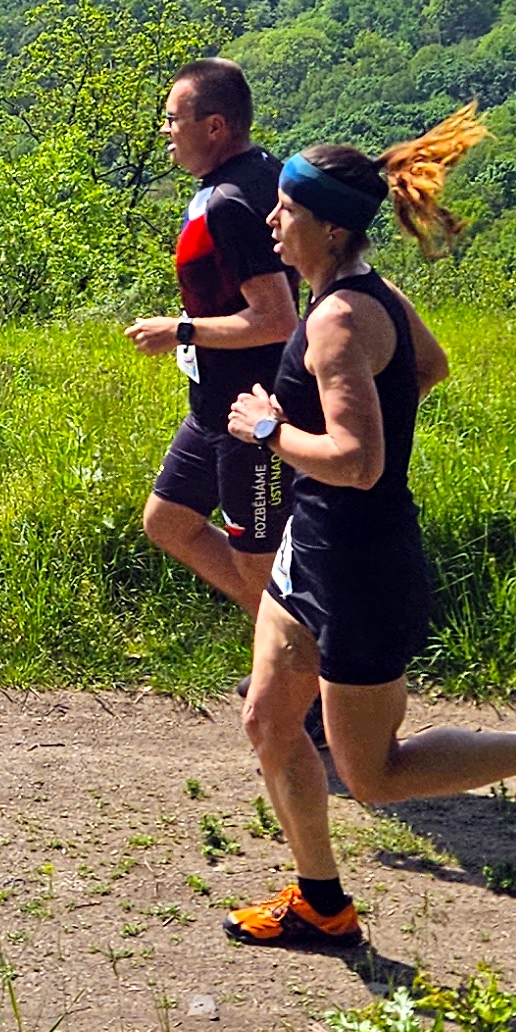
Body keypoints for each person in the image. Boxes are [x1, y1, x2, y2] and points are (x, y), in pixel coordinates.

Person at [221, 111, 516, 953]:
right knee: (269, 724)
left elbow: (358, 463)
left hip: (360, 567)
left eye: (284, 209)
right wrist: (358, 413)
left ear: (331, 226)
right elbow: (426, 366)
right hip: (312, 548)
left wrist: (270, 430)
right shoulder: (360, 296)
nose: (271, 220)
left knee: (371, 776)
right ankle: (323, 904)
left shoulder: (342, 319)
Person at [124, 59, 300, 616]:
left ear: (215, 126)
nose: (165, 129)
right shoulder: (254, 174)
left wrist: (179, 329)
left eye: (173, 117)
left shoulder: (231, 203)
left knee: (261, 572)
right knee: (169, 521)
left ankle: (307, 681)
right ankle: (290, 654)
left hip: (252, 413)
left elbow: (276, 319)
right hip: (212, 408)